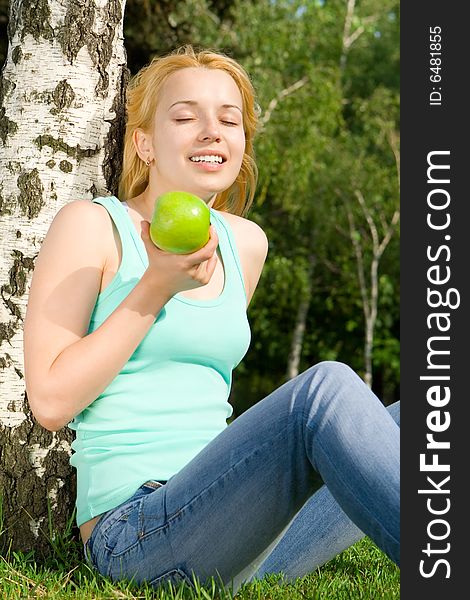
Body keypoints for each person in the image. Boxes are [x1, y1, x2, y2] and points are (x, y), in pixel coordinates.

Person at [23, 44, 399, 593]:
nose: (211, 131)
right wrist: (153, 289)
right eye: (185, 116)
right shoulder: (93, 226)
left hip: (239, 532)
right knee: (324, 390)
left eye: (229, 119)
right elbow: (51, 402)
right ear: (144, 143)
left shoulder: (245, 244)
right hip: (136, 532)